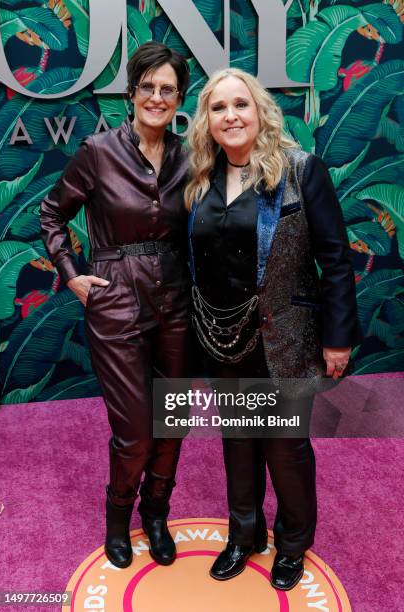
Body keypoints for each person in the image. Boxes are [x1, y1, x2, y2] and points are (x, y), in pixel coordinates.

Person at [185, 68, 360, 590]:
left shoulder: (302, 171)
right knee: (238, 440)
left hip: (286, 336)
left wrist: (337, 337)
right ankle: (244, 536)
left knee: (285, 446)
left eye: (241, 104)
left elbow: (336, 259)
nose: (231, 115)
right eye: (219, 108)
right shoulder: (200, 180)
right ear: (207, 121)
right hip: (224, 337)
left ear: (259, 110)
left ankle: (291, 545)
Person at [40, 42, 190, 569]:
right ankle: (118, 519)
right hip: (115, 300)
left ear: (179, 99)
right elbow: (51, 214)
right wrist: (72, 275)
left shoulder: (193, 157)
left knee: (173, 420)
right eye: (147, 87)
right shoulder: (98, 151)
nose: (156, 96)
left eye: (167, 89)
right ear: (131, 94)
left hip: (177, 300)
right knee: (135, 429)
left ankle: (157, 515)